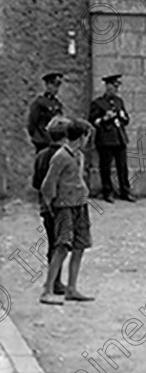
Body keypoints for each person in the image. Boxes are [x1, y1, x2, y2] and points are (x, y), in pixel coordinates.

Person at [39, 119, 96, 305]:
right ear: (81, 137)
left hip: (80, 205)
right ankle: (47, 289)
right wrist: (50, 206)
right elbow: (48, 184)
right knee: (62, 246)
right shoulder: (60, 157)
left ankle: (71, 288)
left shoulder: (78, 155)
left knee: (79, 246)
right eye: (87, 136)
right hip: (64, 207)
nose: (88, 140)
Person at [33, 117, 73, 296]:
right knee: (61, 245)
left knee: (52, 242)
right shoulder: (66, 155)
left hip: (45, 205)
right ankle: (54, 282)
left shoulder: (41, 155)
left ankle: (53, 281)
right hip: (62, 204)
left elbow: (36, 183)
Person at [89, 74, 134, 203]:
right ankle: (107, 192)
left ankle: (125, 191)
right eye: (113, 86)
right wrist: (105, 118)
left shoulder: (119, 102)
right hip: (105, 139)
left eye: (117, 87)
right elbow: (93, 121)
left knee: (122, 167)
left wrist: (122, 116)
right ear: (107, 86)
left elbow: (126, 120)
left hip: (120, 138)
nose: (115, 89)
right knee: (106, 167)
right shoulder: (98, 103)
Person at [27, 72, 65, 153]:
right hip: (42, 142)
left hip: (55, 141)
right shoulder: (39, 102)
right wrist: (38, 138)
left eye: (57, 86)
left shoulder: (57, 104)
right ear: (47, 85)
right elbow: (32, 124)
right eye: (54, 85)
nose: (56, 89)